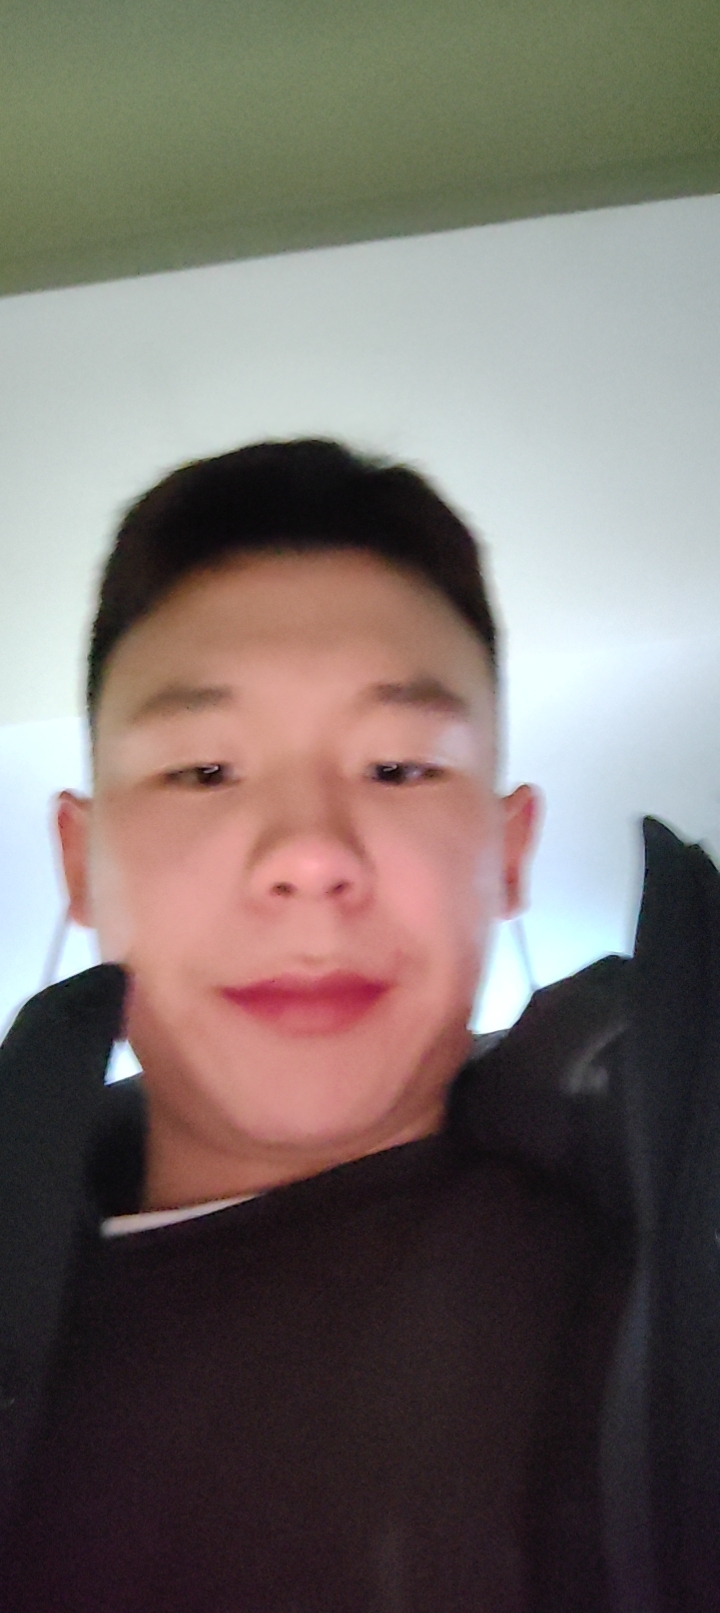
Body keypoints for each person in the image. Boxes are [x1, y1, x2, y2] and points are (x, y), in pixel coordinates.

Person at [0, 440, 717, 1612]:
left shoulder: (661, 1308)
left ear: (509, 854)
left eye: (397, 767)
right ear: (83, 864)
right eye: (203, 770)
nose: (309, 855)